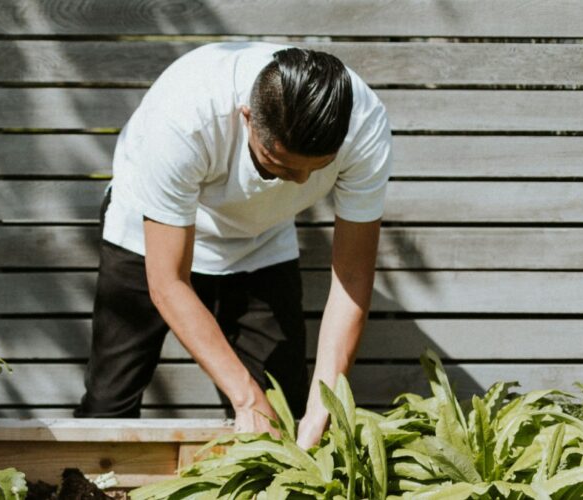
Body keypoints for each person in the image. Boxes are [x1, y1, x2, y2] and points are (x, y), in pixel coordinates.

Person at [74, 42, 392, 450]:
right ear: (247, 118)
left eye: (316, 170)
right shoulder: (184, 117)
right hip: (146, 235)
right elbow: (168, 282)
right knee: (108, 406)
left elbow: (351, 275)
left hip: (260, 240)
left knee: (282, 413)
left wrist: (323, 406)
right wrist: (245, 397)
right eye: (278, 165)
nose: (298, 183)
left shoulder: (364, 125)